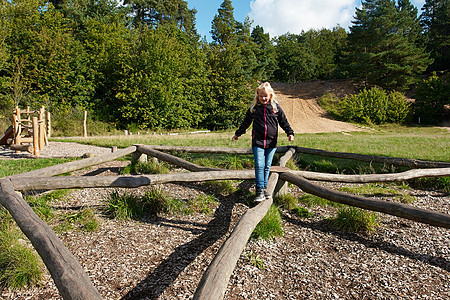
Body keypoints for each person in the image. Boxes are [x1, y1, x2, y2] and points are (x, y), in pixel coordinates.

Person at [232, 82, 294, 202]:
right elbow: (246, 122)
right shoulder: (254, 108)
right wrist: (238, 133)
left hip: (271, 143)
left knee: (266, 167)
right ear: (257, 96)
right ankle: (259, 191)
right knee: (259, 165)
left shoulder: (275, 108)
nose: (263, 98)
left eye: (266, 96)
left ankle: (264, 189)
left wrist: (290, 133)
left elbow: (284, 122)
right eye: (261, 96)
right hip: (258, 142)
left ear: (270, 95)